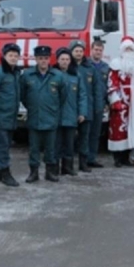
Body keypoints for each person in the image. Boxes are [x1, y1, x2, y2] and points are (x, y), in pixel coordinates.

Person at [20, 46, 66, 183]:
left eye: (45, 58)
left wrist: (52, 108)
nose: (43, 61)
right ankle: (33, 173)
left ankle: (50, 172)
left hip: (51, 118)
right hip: (35, 117)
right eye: (40, 58)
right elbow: (23, 96)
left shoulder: (58, 76)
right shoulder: (27, 75)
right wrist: (33, 107)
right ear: (36, 59)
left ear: (49, 59)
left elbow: (63, 96)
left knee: (50, 148)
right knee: (34, 148)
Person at [107, 36, 134, 167]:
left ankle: (127, 157)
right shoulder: (116, 64)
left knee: (132, 129)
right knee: (118, 129)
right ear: (122, 49)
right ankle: (117, 158)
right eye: (126, 48)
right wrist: (115, 100)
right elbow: (112, 83)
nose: (128, 50)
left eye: (131, 48)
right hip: (122, 101)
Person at [0, 43, 22, 187]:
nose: (13, 58)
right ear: (4, 56)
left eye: (16, 56)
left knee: (3, 145)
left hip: (10, 116)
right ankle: (5, 173)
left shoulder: (15, 73)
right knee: (2, 146)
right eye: (10, 55)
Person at [55, 48, 88, 177]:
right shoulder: (53, 74)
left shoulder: (76, 75)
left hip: (71, 115)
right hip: (56, 116)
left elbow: (82, 95)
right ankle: (54, 168)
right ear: (57, 60)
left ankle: (67, 167)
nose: (65, 61)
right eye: (62, 59)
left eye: (67, 59)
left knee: (69, 144)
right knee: (56, 144)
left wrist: (82, 113)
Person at [70, 40, 100, 173]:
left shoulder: (90, 68)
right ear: (71, 52)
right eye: (76, 51)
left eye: (81, 51)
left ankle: (84, 163)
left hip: (87, 108)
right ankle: (67, 164)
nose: (78, 53)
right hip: (70, 109)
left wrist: (98, 106)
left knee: (85, 137)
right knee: (69, 138)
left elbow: (97, 89)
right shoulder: (67, 66)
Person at [88, 40, 110, 168]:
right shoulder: (86, 64)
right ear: (91, 50)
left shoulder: (105, 67)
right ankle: (83, 159)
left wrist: (107, 102)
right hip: (88, 103)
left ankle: (92, 158)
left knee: (96, 133)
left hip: (100, 103)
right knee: (86, 133)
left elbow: (108, 86)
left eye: (100, 50)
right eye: (96, 49)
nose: (98, 52)